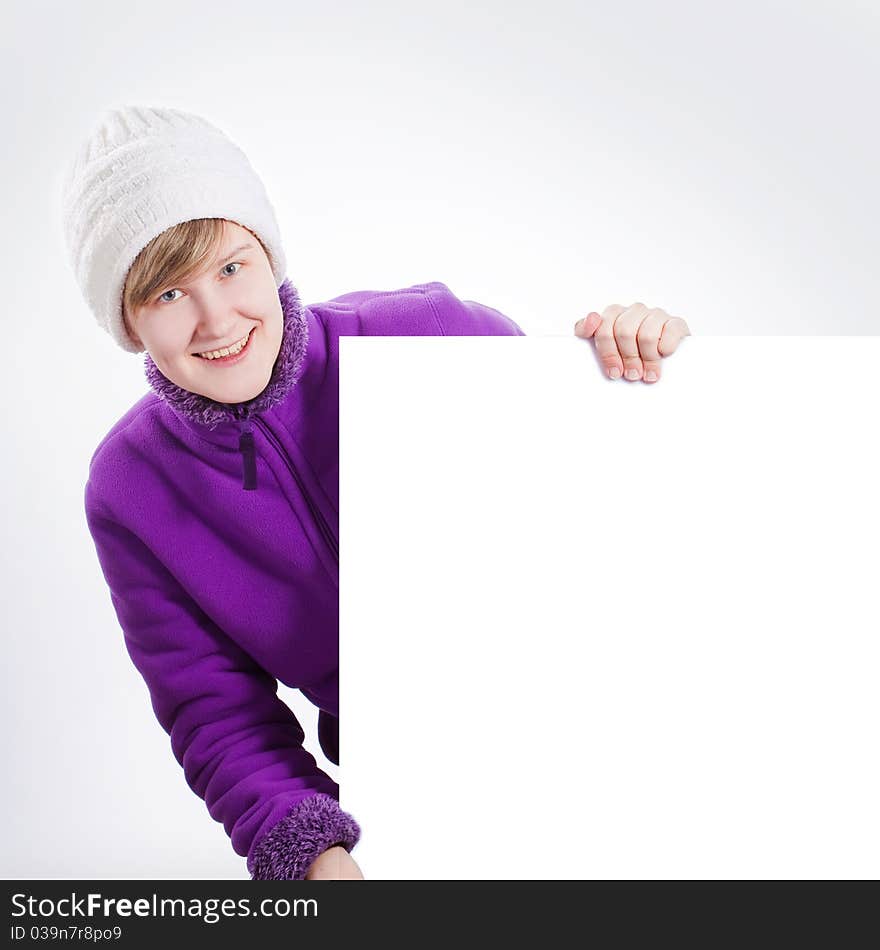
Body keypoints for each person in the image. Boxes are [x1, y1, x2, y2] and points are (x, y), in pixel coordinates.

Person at [60, 105, 691, 881]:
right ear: (127, 323)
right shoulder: (132, 488)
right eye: (166, 294)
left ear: (270, 254)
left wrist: (634, 354)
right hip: (424, 797)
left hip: (618, 724)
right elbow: (216, 714)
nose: (217, 318)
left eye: (231, 267)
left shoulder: (428, 333)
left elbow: (617, 490)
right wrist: (314, 854)